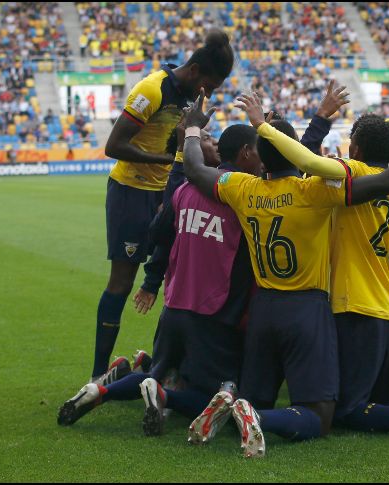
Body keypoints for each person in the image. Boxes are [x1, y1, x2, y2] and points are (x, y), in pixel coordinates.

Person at [183, 85, 389, 457]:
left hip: (264, 306)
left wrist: (190, 130)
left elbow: (194, 168)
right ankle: (257, 417)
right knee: (320, 415)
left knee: (260, 394)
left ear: (261, 160)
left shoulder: (239, 186)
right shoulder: (315, 191)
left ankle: (241, 404)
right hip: (308, 309)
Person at [58, 123, 257, 436]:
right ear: (246, 154)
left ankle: (101, 392)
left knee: (160, 369)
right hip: (212, 311)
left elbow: (157, 233)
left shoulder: (184, 190)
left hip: (174, 303)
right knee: (219, 395)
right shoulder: (247, 194)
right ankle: (164, 396)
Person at [131, 80, 351, 316]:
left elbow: (160, 233)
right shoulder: (247, 189)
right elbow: (165, 235)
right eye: (207, 139)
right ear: (246, 152)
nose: (213, 143)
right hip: (230, 313)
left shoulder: (214, 188)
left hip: (184, 307)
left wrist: (152, 282)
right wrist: (318, 119)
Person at [89, 29, 235, 384]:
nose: (210, 93)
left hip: (166, 194)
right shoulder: (152, 90)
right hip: (130, 191)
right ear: (197, 70)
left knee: (177, 279)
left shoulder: (190, 96)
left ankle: (165, 367)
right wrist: (162, 159)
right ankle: (96, 376)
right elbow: (114, 145)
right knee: (122, 282)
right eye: (210, 84)